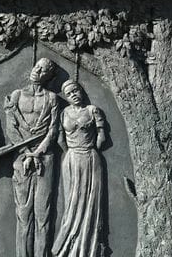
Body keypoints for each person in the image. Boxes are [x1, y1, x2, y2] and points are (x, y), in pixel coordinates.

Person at [4, 57, 59, 257]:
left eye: (43, 70)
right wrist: (27, 153)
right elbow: (11, 129)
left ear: (48, 76)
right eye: (36, 66)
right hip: (22, 158)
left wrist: (37, 153)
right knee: (23, 213)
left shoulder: (52, 98)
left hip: (44, 158)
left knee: (43, 213)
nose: (37, 71)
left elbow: (53, 131)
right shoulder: (17, 96)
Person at [52, 80, 107, 257]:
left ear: (81, 90)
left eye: (75, 90)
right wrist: (70, 153)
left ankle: (87, 247)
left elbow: (102, 136)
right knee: (72, 202)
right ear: (66, 98)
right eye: (69, 94)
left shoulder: (93, 110)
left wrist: (91, 148)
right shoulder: (64, 113)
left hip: (90, 159)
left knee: (90, 201)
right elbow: (60, 138)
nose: (73, 95)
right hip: (71, 160)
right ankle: (67, 244)